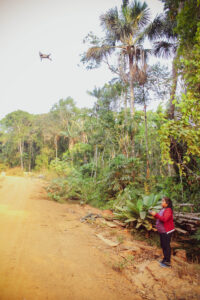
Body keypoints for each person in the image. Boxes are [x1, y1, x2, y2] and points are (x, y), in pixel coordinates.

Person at [150, 197, 175, 268]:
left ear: (167, 203)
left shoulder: (168, 210)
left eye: (163, 201)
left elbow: (164, 219)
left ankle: (168, 262)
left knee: (166, 246)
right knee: (163, 245)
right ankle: (165, 259)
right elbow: (160, 217)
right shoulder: (163, 209)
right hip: (162, 231)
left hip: (166, 231)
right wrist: (154, 214)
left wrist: (156, 214)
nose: (161, 203)